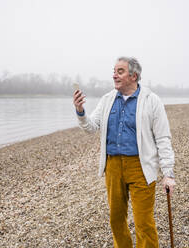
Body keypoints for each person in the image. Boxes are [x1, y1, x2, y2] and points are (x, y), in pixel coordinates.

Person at [73, 57, 176, 248]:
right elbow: (91, 127)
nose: (114, 75)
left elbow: (163, 138)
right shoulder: (107, 99)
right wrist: (80, 111)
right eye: (114, 71)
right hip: (112, 166)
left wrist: (168, 173)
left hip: (141, 167)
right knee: (116, 219)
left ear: (133, 76)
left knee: (143, 222)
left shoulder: (151, 101)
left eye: (120, 71)